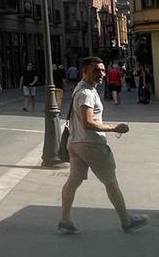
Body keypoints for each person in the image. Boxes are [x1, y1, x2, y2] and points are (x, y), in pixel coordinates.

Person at [58, 57, 148, 234]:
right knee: (111, 182)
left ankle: (65, 220)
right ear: (84, 71)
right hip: (91, 144)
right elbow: (88, 123)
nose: (100, 74)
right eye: (95, 70)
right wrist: (116, 127)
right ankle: (126, 221)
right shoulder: (86, 94)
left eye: (102, 70)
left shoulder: (82, 89)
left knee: (73, 181)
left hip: (75, 143)